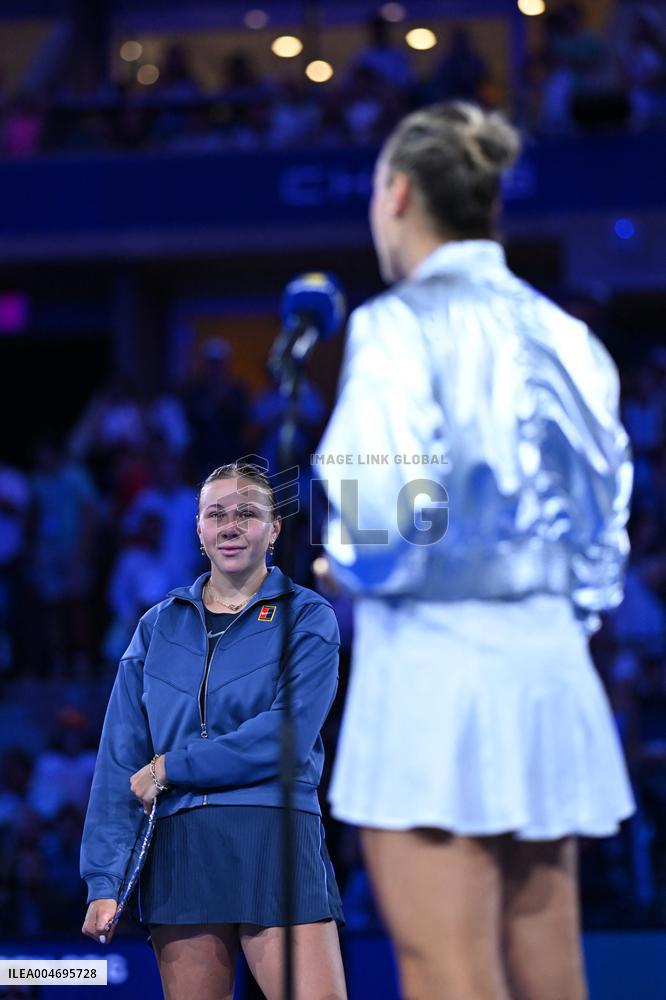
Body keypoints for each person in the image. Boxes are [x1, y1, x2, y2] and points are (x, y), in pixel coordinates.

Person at [313, 101, 634, 1000]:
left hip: (433, 674)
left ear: (399, 193)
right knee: (551, 973)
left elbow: (380, 525)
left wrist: (344, 567)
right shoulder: (568, 334)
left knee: (448, 971)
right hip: (548, 667)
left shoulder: (394, 326)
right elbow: (605, 525)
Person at [80, 462, 346, 1000]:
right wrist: (103, 881)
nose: (230, 525)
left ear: (273, 529)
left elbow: (285, 734)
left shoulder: (309, 617)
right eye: (216, 514)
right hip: (181, 848)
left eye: (247, 513)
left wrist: (172, 767)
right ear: (198, 530)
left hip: (274, 835)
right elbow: (120, 755)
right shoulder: (157, 626)